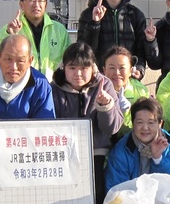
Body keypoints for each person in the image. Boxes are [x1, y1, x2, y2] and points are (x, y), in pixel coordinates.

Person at [51, 42, 124, 196]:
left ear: (93, 68)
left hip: (96, 153)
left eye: (84, 68)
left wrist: (105, 106)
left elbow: (112, 128)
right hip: (62, 153)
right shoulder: (53, 88)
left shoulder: (104, 85)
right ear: (64, 67)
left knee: (95, 195)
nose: (78, 73)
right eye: (72, 68)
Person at [78, 0, 158, 78]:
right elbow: (83, 48)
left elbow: (140, 50)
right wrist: (95, 23)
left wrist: (139, 69)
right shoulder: (88, 14)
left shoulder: (135, 15)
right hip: (97, 76)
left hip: (127, 77)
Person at [0, 0, 70, 81]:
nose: (36, 5)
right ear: (21, 4)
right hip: (22, 87)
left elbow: (69, 60)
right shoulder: (10, 29)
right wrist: (9, 35)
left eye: (40, 0)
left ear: (46, 4)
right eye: (31, 0)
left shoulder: (59, 30)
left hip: (52, 88)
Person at [105, 97, 170, 192]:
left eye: (151, 123)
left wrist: (158, 159)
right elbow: (115, 189)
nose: (145, 128)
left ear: (160, 124)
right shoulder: (122, 149)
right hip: (132, 202)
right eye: (140, 122)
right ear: (133, 123)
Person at [101, 46, 150, 139]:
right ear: (104, 70)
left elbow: (145, 126)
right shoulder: (97, 90)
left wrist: (125, 114)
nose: (117, 73)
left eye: (122, 68)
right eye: (112, 68)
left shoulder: (140, 91)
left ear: (131, 70)